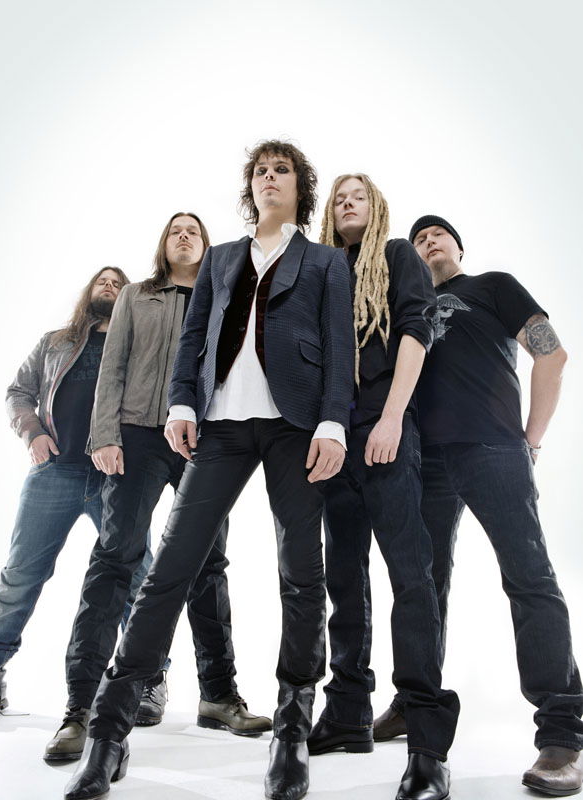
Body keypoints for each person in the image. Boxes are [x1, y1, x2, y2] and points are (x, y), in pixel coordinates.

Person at [62, 140, 354, 800]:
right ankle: (108, 733)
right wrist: (182, 403)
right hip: (220, 426)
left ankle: (291, 730)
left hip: (296, 427)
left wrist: (334, 423)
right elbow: (194, 338)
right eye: (261, 171)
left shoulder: (325, 262)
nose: (269, 178)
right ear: (250, 188)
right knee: (170, 567)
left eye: (281, 170)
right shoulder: (222, 258)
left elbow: (341, 350)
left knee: (301, 573)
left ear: (300, 188)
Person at [373, 214, 583, 797]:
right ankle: (414, 703)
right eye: (419, 239)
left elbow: (552, 355)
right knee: (421, 585)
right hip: (422, 460)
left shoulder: (493, 286)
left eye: (437, 234)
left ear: (458, 246)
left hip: (493, 449)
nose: (428, 241)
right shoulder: (407, 303)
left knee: (529, 577)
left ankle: (562, 733)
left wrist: (530, 440)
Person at [53, 213, 272, 763]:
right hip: (137, 436)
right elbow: (112, 366)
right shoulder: (137, 295)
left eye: (193, 229)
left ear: (207, 245)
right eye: (175, 229)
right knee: (116, 558)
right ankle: (80, 708)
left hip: (203, 439)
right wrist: (105, 435)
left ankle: (218, 695)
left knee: (209, 564)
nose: (184, 235)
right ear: (163, 243)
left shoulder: (224, 296)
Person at [307, 175, 459, 800]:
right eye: (339, 197)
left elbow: (416, 332)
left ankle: (426, 742)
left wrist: (393, 417)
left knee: (410, 578)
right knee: (343, 578)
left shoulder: (397, 254)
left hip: (386, 429)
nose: (348, 203)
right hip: (333, 438)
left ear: (377, 207)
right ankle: (347, 712)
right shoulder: (322, 270)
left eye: (358, 196)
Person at [0, 267, 155, 732]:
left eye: (118, 283)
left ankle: (148, 679)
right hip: (56, 471)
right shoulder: (55, 342)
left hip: (116, 474)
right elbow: (18, 392)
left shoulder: (136, 344)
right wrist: (32, 433)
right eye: (103, 281)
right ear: (90, 291)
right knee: (23, 572)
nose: (110, 287)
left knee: (137, 575)